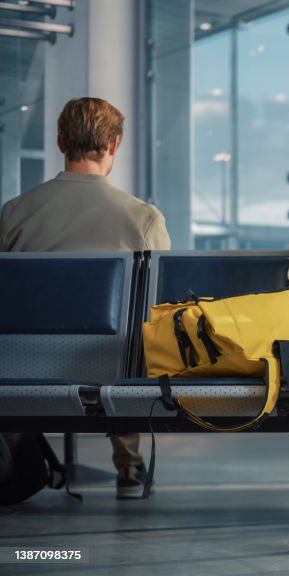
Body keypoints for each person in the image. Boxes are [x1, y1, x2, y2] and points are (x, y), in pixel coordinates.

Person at [0, 97, 170, 498]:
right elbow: (161, 306)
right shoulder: (142, 218)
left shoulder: (14, 213)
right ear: (113, 145)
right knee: (133, 338)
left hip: (23, 368)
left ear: (60, 142)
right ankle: (128, 466)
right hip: (110, 366)